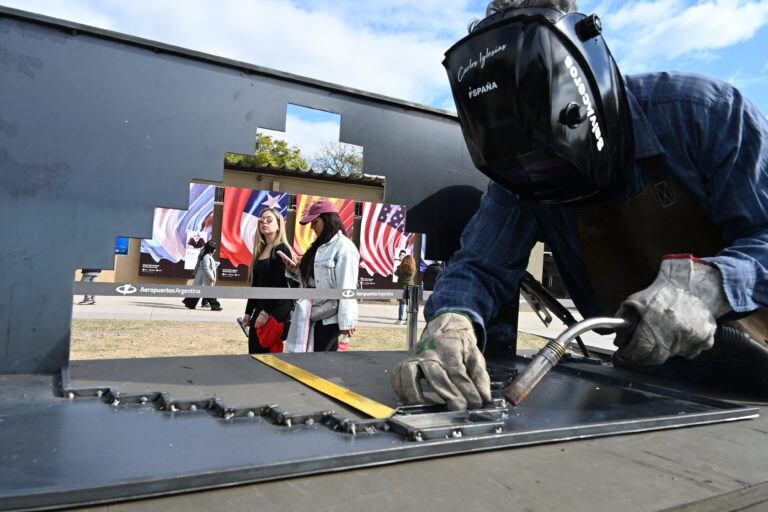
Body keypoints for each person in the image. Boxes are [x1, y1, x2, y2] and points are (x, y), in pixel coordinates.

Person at [392, 0, 768, 411]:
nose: (545, 179)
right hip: (657, 384)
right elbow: (480, 266)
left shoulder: (706, 114)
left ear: (586, 84)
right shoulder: (524, 172)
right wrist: (452, 320)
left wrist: (712, 285)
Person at [280, 199, 359, 352]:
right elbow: (314, 280)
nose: (312, 227)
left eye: (315, 222)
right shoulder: (320, 246)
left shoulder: (344, 247)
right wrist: (295, 271)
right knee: (323, 362)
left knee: (315, 362)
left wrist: (346, 322)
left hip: (330, 317)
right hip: (314, 314)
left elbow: (347, 286)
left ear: (327, 220)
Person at [241, 207, 293, 354]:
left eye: (269, 220)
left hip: (274, 313)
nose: (264, 222)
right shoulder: (260, 251)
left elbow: (279, 285)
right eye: (261, 220)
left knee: (268, 356)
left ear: (278, 225)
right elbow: (255, 286)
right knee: (254, 354)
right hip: (259, 312)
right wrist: (248, 312)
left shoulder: (282, 248)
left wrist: (265, 313)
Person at [183, 240, 221, 311]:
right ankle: (215, 306)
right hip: (204, 277)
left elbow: (207, 265)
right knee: (208, 292)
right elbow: (206, 267)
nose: (215, 250)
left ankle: (190, 304)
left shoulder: (207, 256)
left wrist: (215, 263)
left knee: (198, 291)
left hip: (203, 277)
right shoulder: (206, 256)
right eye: (214, 249)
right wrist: (211, 277)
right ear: (211, 249)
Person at [394, 255, 416, 325]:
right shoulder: (413, 269)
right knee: (408, 304)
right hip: (410, 287)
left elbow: (395, 273)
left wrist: (399, 266)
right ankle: (407, 320)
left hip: (401, 287)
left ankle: (400, 320)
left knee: (401, 303)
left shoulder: (400, 268)